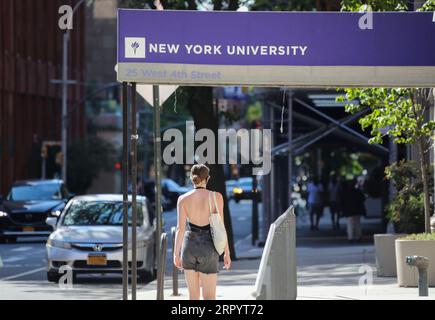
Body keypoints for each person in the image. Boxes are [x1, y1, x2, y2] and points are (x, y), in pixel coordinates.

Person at [173, 164, 231, 300]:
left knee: (193, 297)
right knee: (209, 297)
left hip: (189, 246)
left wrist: (176, 254)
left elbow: (180, 229)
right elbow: (221, 227)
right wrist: (226, 253)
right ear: (208, 178)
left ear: (192, 178)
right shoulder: (216, 197)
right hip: (208, 247)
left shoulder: (183, 199)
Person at [342, 178, 366, 242]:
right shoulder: (358, 191)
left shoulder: (346, 193)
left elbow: (343, 202)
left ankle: (350, 237)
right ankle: (358, 237)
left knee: (350, 224)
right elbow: (363, 199)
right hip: (357, 210)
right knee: (357, 224)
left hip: (350, 211)